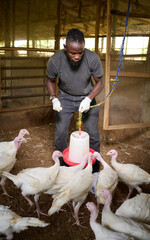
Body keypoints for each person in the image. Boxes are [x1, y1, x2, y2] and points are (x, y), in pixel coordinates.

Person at [47, 29, 103, 193]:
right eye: (72, 53)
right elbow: (50, 80)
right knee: (60, 133)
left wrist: (89, 98)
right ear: (65, 48)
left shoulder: (92, 58)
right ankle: (65, 170)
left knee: (93, 133)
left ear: (84, 49)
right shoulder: (55, 60)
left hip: (87, 97)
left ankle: (93, 173)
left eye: (80, 52)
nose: (77, 56)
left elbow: (99, 82)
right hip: (64, 98)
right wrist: (53, 98)